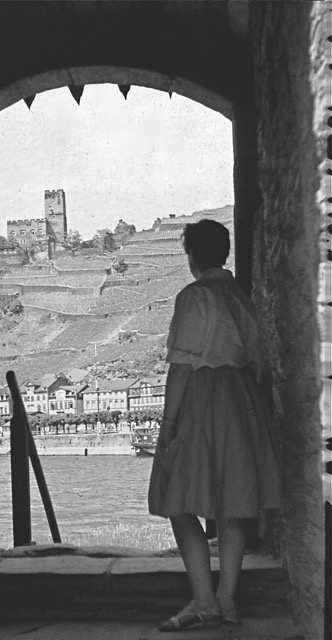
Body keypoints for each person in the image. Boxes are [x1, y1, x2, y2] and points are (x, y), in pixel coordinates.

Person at [148, 219, 281, 631]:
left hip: (203, 399)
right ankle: (227, 601)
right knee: (234, 501)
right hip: (241, 399)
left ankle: (204, 600)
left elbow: (182, 368)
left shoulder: (195, 296)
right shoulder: (242, 296)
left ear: (192, 256)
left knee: (179, 498)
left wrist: (168, 424)